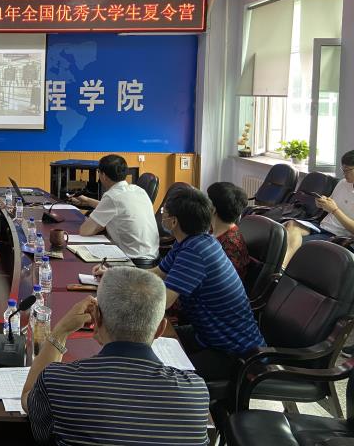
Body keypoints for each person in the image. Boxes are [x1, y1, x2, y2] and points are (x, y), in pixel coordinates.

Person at [22, 267, 209, 445]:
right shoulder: (196, 393)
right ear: (160, 329)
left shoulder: (58, 383)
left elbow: (28, 399)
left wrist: (60, 331)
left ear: (96, 318)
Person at [96, 188, 263, 381]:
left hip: (232, 352)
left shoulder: (196, 252)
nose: (162, 216)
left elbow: (163, 302)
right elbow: (157, 273)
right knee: (139, 343)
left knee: (155, 374)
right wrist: (116, 274)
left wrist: (112, 298)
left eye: (164, 212)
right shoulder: (192, 241)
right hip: (206, 335)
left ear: (173, 222)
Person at [73, 154, 159, 260]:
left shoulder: (112, 196)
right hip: (153, 256)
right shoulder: (138, 190)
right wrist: (87, 200)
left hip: (132, 259)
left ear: (103, 175)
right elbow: (116, 208)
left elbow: (85, 231)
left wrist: (100, 224)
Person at [283, 150, 354, 265]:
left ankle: (281, 267)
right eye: (343, 169)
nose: (344, 174)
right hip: (323, 226)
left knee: (294, 245)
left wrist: (335, 210)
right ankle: (281, 267)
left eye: (348, 170)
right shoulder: (342, 183)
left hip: (339, 236)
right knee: (290, 225)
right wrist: (322, 203)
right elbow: (330, 205)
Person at [206, 181, 250, 281]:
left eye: (207, 201)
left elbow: (227, 280)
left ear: (213, 209)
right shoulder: (213, 229)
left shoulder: (231, 244)